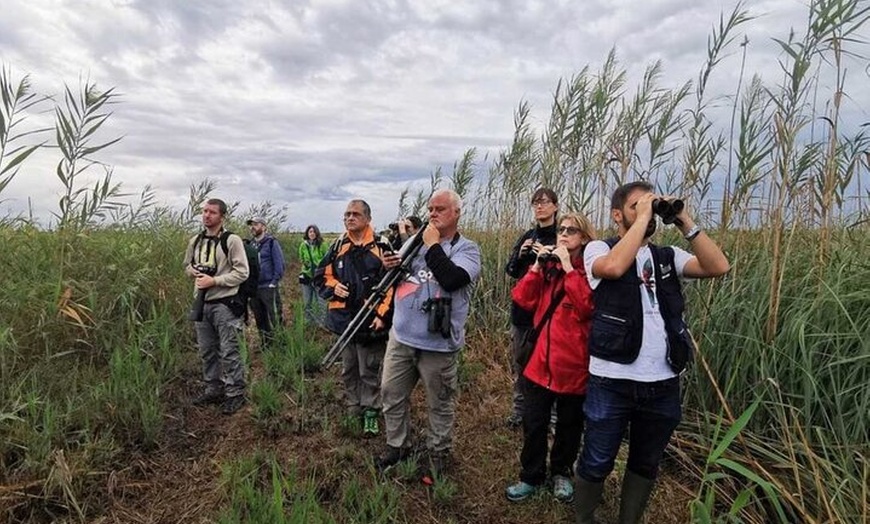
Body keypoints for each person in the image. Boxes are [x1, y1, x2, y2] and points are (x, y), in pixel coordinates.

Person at [576, 181, 729, 524]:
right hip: (612, 378)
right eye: (635, 206)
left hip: (662, 382)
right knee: (598, 458)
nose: (646, 210)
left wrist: (684, 220)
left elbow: (718, 266)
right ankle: (585, 517)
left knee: (646, 460)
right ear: (617, 215)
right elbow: (614, 268)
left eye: (650, 203)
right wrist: (643, 217)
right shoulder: (598, 249)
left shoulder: (668, 257)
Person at [375, 189, 482, 479]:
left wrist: (433, 246)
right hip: (402, 337)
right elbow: (399, 275)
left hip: (438, 345)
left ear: (457, 213)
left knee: (440, 402)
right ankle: (398, 446)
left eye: (441, 209)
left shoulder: (467, 249)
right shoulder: (415, 241)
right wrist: (390, 264)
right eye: (431, 209)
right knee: (391, 393)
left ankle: (438, 453)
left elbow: (452, 280)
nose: (433, 214)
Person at [505, 212, 595, 504]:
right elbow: (521, 299)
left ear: (583, 237)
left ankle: (561, 473)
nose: (564, 235)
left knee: (569, 426)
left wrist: (568, 267)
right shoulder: (548, 269)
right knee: (534, 423)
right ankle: (530, 476)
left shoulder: (589, 270)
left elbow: (586, 308)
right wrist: (535, 267)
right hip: (539, 363)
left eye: (572, 230)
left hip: (572, 366)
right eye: (561, 230)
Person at [319, 200, 393, 436]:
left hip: (371, 320)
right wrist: (335, 287)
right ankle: (354, 406)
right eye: (347, 214)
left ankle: (371, 411)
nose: (350, 218)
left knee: (369, 369)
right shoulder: (338, 244)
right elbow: (322, 275)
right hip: (344, 319)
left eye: (355, 214)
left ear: (368, 219)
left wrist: (383, 314)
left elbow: (393, 283)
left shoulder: (382, 245)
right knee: (349, 368)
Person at [184, 198, 250, 415]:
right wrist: (192, 272)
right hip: (202, 303)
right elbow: (186, 265)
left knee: (230, 350)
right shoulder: (195, 241)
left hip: (225, 303)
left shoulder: (231, 241)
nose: (206, 215)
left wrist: (215, 281)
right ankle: (213, 388)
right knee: (207, 350)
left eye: (212, 212)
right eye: (204, 211)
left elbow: (242, 272)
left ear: (222, 216)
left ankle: (235, 392)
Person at [504, 188, 560, 428]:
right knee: (521, 361)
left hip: (550, 313)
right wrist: (522, 255)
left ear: (555, 206)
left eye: (545, 202)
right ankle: (520, 411)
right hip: (523, 312)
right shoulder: (528, 235)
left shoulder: (562, 236)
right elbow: (511, 271)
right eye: (536, 202)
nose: (540, 207)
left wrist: (548, 256)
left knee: (551, 363)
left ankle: (552, 415)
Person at [247, 216, 285, 346]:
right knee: (259, 318)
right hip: (254, 288)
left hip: (268, 286)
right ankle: (266, 344)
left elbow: (279, 264)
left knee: (275, 316)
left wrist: (273, 282)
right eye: (251, 225)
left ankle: (280, 343)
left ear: (263, 227)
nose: (253, 227)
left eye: (256, 224)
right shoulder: (251, 244)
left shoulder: (271, 242)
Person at [298, 224, 330, 326]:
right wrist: (306, 265)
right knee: (307, 302)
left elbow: (328, 259)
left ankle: (322, 323)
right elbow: (301, 257)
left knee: (321, 301)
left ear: (317, 233)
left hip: (319, 277)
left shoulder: (322, 244)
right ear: (307, 233)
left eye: (314, 231)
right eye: (310, 231)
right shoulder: (303, 245)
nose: (312, 233)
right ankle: (309, 323)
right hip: (307, 276)